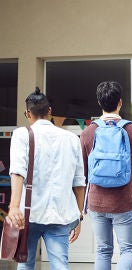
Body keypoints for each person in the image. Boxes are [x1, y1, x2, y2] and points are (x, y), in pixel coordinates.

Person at [7, 87, 85, 269]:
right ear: (50, 111)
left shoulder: (21, 135)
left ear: (27, 113)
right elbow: (79, 182)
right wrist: (79, 216)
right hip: (60, 215)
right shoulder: (71, 138)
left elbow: (18, 171)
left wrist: (13, 207)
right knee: (60, 265)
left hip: (28, 214)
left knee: (25, 265)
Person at [80, 81, 132, 270]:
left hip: (96, 202)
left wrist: (80, 205)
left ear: (99, 102)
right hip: (124, 202)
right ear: (120, 102)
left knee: (103, 250)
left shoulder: (88, 132)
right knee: (128, 250)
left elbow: (83, 174)